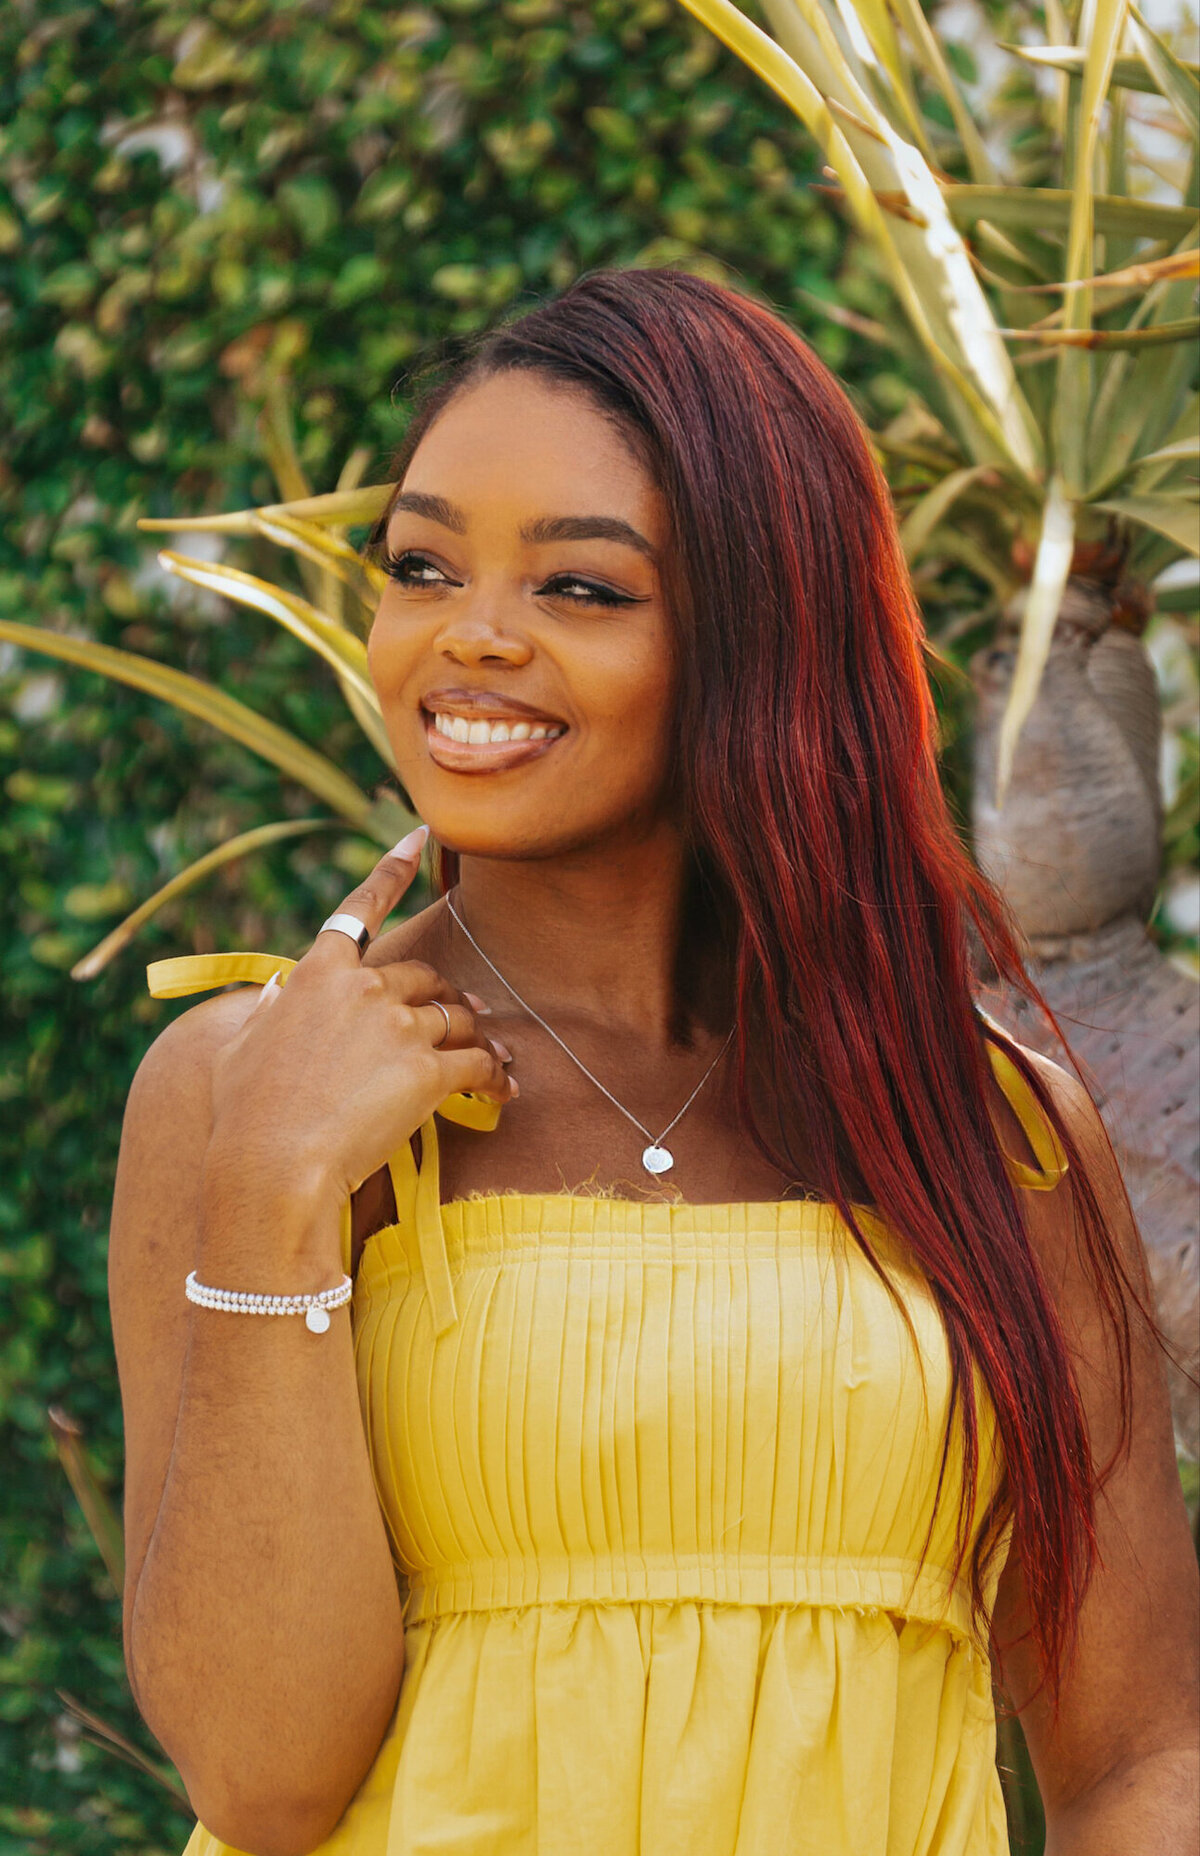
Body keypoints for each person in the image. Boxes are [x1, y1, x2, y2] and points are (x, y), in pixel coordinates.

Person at [108, 267, 1198, 1856]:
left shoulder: (988, 1125)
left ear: (762, 634)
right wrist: (273, 1194)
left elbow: (1138, 1752)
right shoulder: (247, 1089)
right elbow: (260, 1781)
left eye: (582, 589)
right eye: (421, 565)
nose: (468, 639)